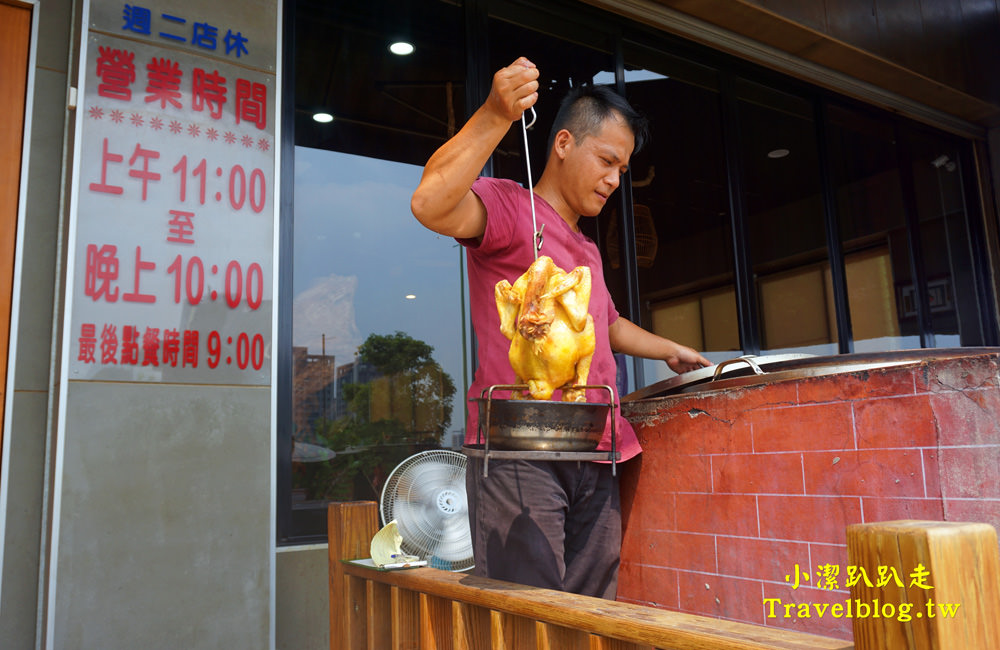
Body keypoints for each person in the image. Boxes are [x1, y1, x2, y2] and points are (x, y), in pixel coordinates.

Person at [411, 56, 711, 599]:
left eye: (622, 169)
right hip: (521, 449)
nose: (614, 179)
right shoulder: (506, 207)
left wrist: (669, 349)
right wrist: (495, 114)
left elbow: (608, 323)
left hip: (597, 449)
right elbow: (431, 203)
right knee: (530, 612)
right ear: (564, 143)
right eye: (606, 160)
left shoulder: (587, 248)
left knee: (592, 609)